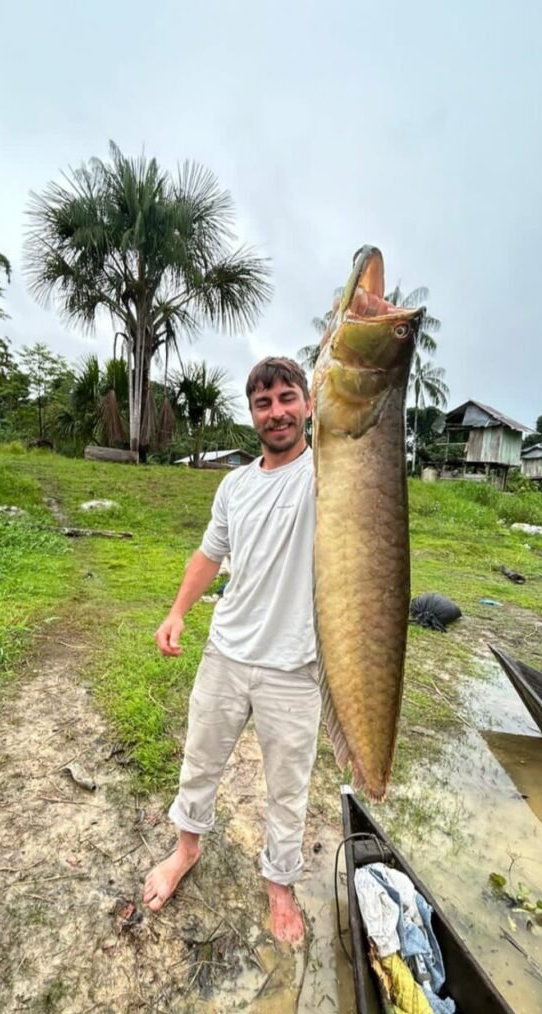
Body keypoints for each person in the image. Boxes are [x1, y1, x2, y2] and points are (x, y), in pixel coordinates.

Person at [143, 356, 320, 945]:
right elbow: (208, 555)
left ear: (309, 404)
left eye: (287, 398)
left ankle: (279, 882)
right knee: (200, 761)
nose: (277, 412)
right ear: (251, 414)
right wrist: (175, 612)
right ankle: (185, 849)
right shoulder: (235, 484)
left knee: (288, 788)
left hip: (295, 666)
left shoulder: (330, 476)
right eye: (264, 403)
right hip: (227, 651)